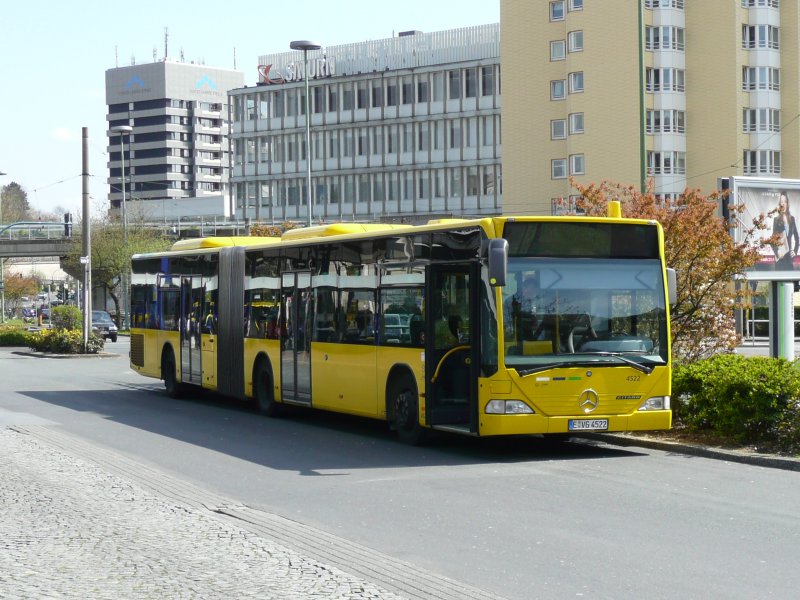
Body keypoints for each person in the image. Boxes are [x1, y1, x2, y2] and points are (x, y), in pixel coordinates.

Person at [772, 191, 799, 270]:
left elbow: (797, 238)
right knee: (779, 281)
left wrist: (795, 251)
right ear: (779, 204)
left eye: (785, 201)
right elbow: (772, 240)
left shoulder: (792, 219)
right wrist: (777, 253)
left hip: (789, 259)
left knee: (791, 281)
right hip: (780, 259)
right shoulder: (776, 220)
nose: (783, 203)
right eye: (781, 202)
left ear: (787, 204)